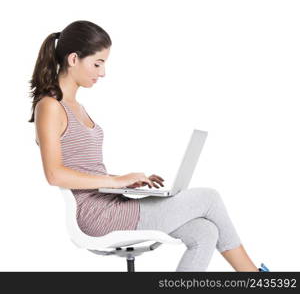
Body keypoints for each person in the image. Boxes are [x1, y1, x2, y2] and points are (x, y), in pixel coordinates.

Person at [28, 20, 269, 272]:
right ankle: (253, 278)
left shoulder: (78, 107)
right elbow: (54, 174)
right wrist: (117, 180)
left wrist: (127, 181)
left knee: (204, 231)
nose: (102, 72)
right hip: (96, 216)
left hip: (113, 203)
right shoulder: (50, 106)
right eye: (97, 63)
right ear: (74, 59)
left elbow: (87, 170)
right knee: (210, 198)